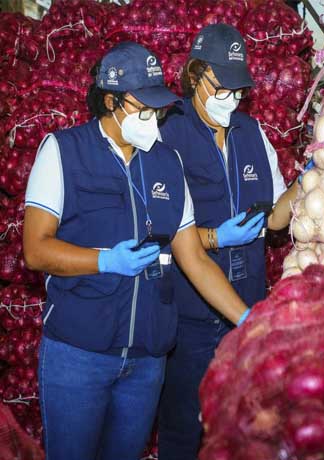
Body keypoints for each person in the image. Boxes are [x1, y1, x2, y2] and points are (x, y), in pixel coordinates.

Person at [22, 42, 251, 460]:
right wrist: (104, 260)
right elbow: (35, 250)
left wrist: (248, 319)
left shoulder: (166, 162)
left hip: (146, 361)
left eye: (158, 109)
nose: (153, 118)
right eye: (143, 109)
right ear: (110, 101)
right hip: (79, 355)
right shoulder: (63, 151)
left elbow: (193, 258)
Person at [155, 24, 306, 459]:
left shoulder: (252, 134)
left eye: (238, 90)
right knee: (184, 428)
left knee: (241, 430)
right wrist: (214, 237)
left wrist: (309, 178)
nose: (231, 99)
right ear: (195, 76)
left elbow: (275, 217)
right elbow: (156, 232)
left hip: (248, 300)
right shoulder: (166, 135)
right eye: (222, 87)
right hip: (191, 319)